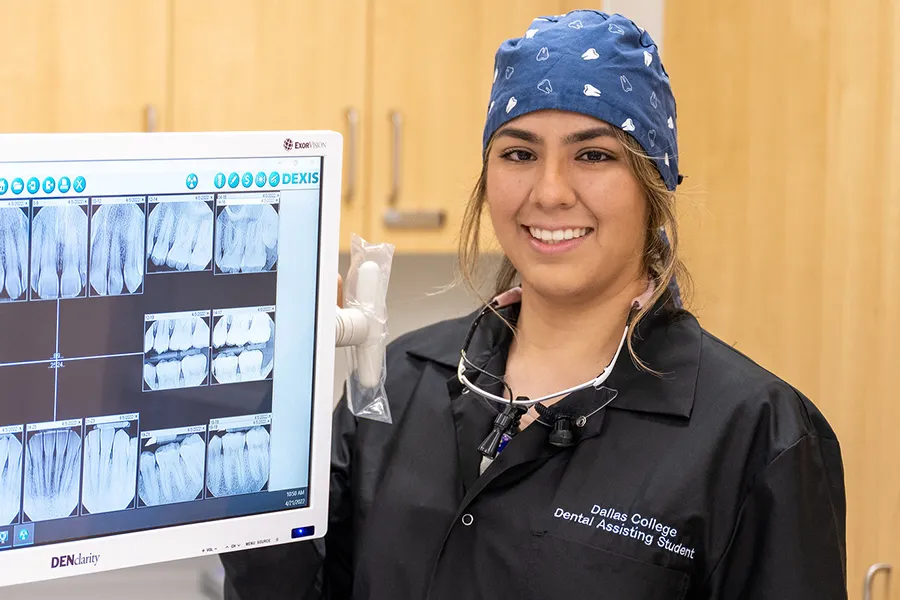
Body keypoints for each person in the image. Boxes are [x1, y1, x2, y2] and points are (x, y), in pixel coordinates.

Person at [220, 10, 848, 599]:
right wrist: (267, 391)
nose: (549, 192)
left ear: (653, 183)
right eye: (519, 153)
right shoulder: (400, 383)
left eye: (594, 155)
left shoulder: (757, 434)